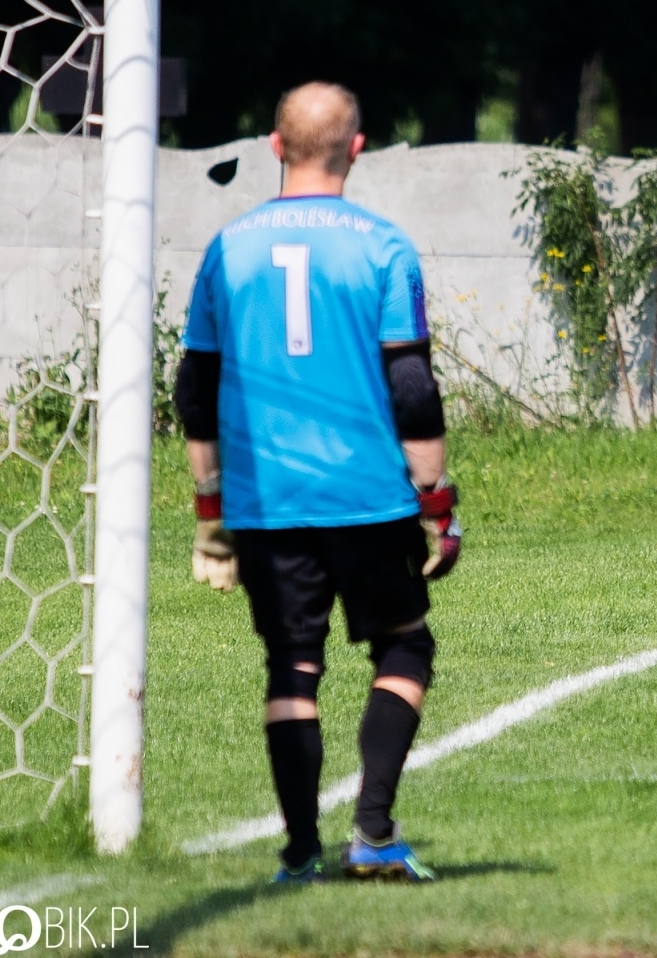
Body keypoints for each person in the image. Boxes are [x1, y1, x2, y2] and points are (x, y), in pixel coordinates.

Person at [174, 82, 462, 883]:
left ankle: (299, 852)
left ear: (274, 146)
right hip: (367, 495)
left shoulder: (228, 247)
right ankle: (371, 832)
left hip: (266, 501)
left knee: (291, 667)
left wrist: (211, 514)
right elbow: (412, 388)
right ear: (357, 148)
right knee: (404, 644)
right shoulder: (382, 246)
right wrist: (437, 503)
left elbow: (194, 387)